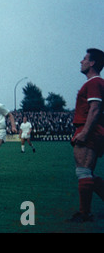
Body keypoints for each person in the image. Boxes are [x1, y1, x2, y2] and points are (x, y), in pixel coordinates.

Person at [68, 48, 104, 223]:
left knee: (83, 171)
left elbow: (95, 109)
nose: (81, 61)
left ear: (92, 63)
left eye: (84, 59)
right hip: (89, 130)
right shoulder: (94, 83)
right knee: (87, 172)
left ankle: (84, 213)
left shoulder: (94, 83)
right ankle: (85, 212)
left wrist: (85, 132)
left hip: (88, 130)